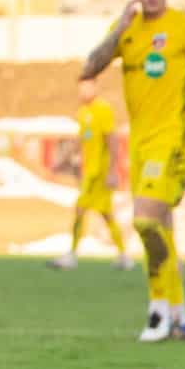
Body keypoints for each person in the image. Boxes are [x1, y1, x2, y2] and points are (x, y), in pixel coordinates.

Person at [81, 0, 185, 342]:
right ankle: (179, 315)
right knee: (159, 228)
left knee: (145, 220)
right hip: (141, 143)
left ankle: (157, 311)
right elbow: (88, 69)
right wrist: (117, 34)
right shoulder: (126, 29)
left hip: (174, 139)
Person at [47, 78, 136, 271]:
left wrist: (113, 170)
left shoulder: (102, 109)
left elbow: (111, 139)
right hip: (89, 171)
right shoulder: (82, 112)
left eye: (87, 86)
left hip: (100, 172)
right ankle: (123, 255)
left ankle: (73, 255)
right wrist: (62, 161)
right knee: (104, 214)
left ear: (95, 87)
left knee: (84, 209)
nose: (83, 91)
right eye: (81, 87)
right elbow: (81, 141)